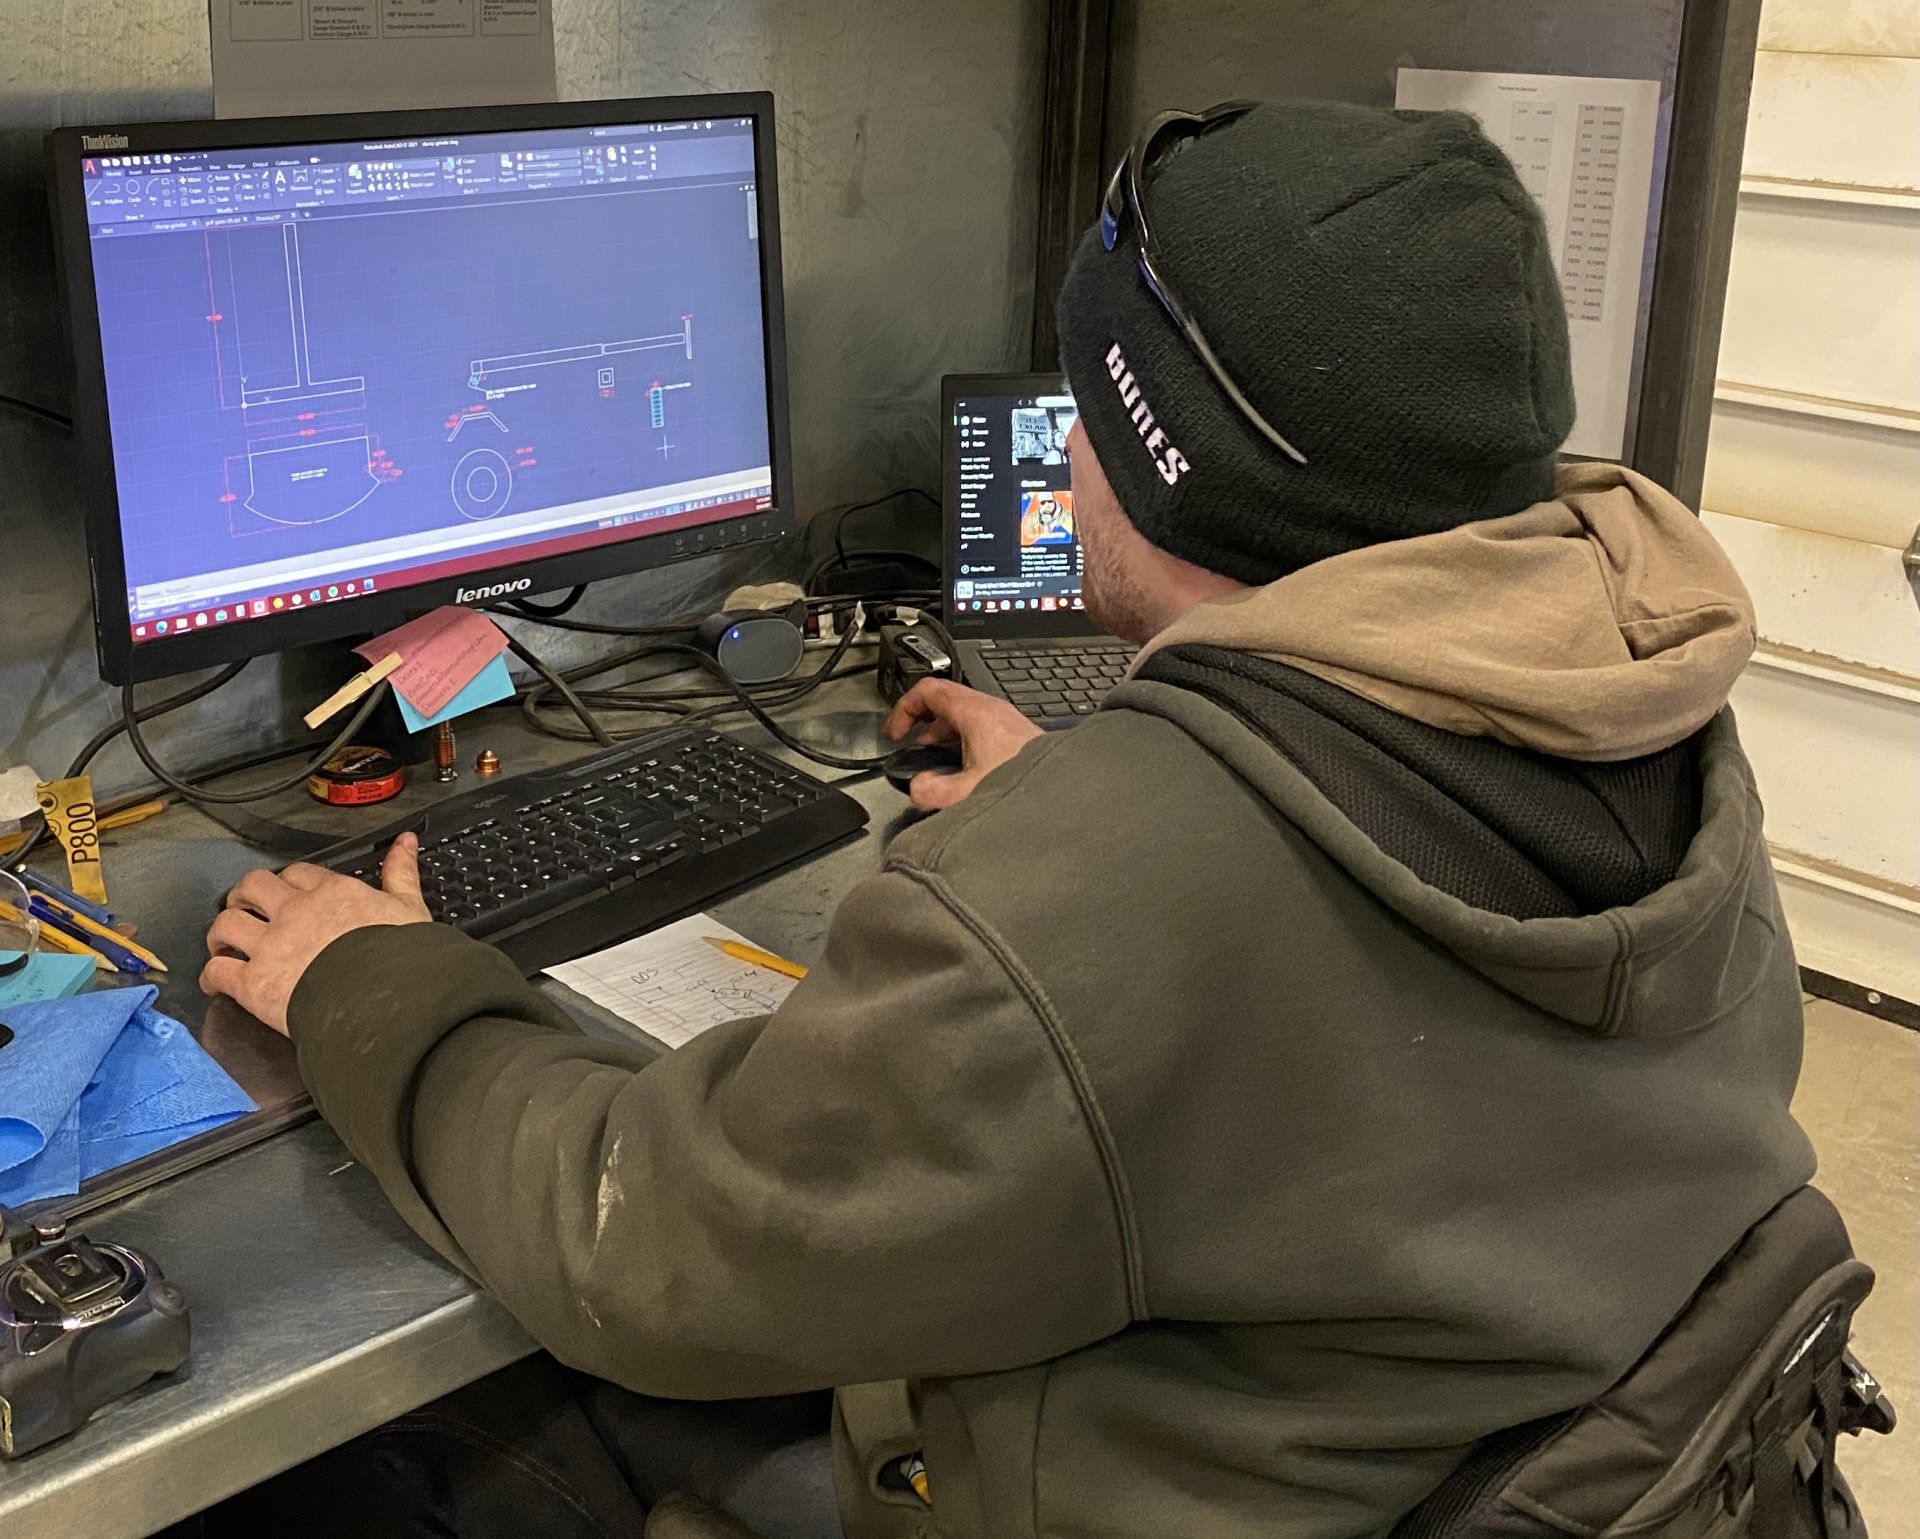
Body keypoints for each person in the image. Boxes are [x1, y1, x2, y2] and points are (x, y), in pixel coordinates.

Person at [200, 100, 1812, 1539]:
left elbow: (637, 1246)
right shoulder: (1642, 702)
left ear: (1159, 456)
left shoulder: (1108, 894)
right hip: (1497, 1452)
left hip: (1131, 1485)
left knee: (410, 1438)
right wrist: (1109, 814)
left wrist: (371, 980)